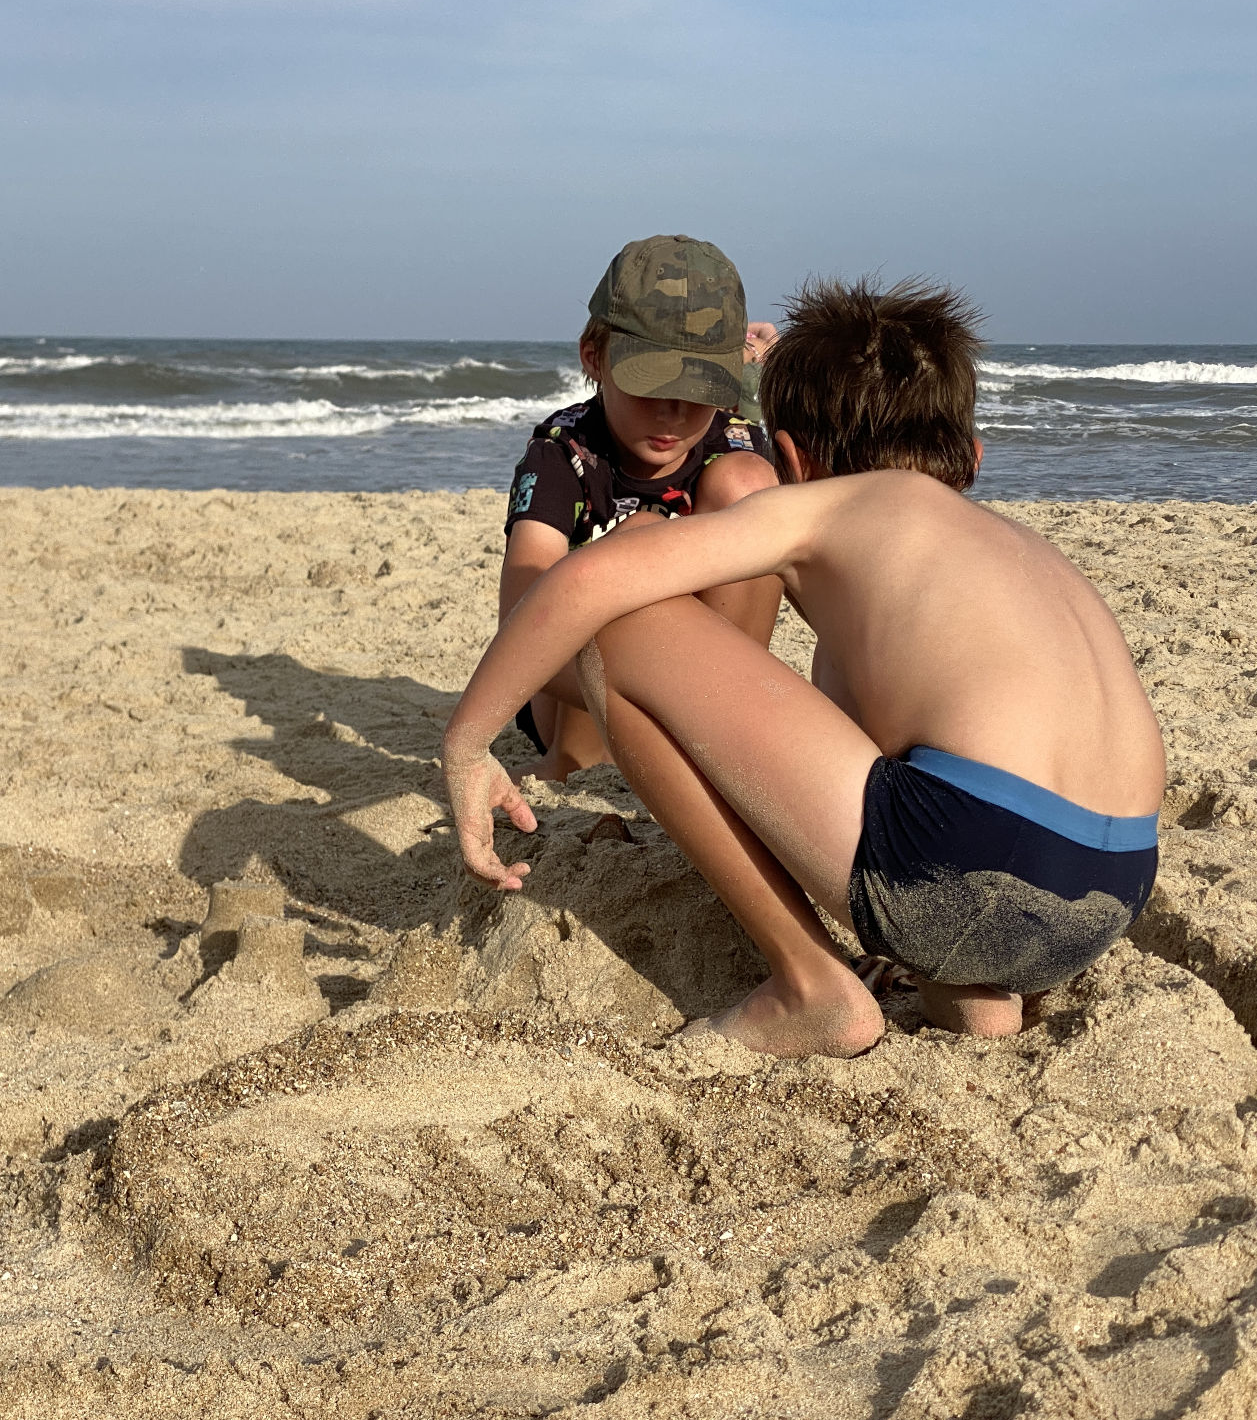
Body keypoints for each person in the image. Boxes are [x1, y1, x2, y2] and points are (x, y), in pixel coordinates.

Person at [444, 277, 1165, 1056]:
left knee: (617, 620)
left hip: (967, 858)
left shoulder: (834, 505)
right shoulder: (1021, 551)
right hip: (1111, 892)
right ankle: (978, 1005)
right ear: (973, 453)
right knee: (913, 749)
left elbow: (589, 579)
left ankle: (809, 986)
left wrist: (466, 745)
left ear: (790, 457)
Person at [502, 234, 783, 782]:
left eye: (699, 386)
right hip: (574, 693)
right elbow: (519, 621)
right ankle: (566, 764)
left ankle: (711, 733)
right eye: (650, 384)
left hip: (707, 686)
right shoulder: (565, 454)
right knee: (636, 545)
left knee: (754, 491)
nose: (673, 413)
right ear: (595, 358)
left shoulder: (739, 439)